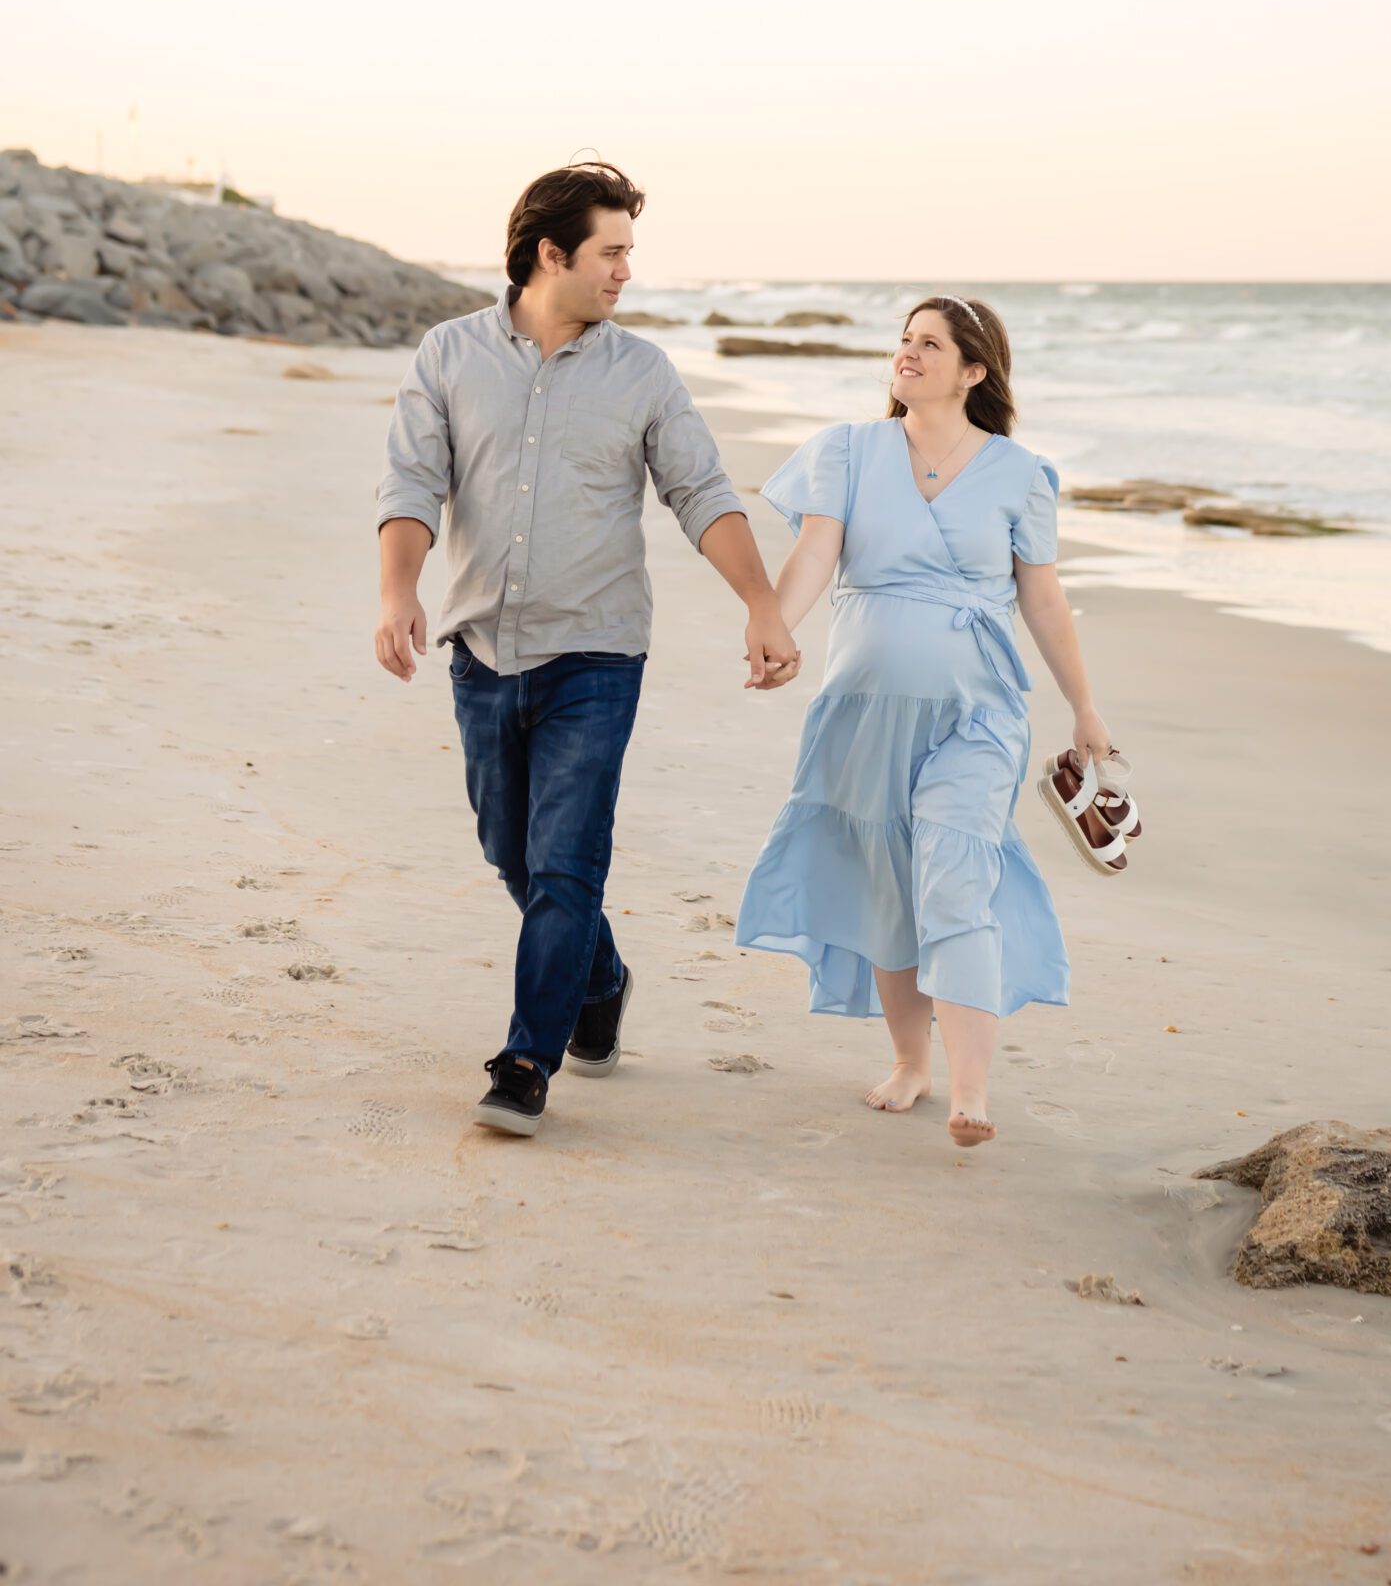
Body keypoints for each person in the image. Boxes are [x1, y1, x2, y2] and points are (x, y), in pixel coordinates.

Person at [374, 161, 799, 1137]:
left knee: (567, 864)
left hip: (597, 657)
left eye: (628, 254)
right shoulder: (448, 354)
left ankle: (528, 1058)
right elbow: (411, 482)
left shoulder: (641, 371)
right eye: (612, 252)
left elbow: (701, 490)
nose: (625, 273)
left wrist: (762, 603)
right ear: (550, 252)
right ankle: (599, 977)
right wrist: (399, 589)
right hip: (482, 649)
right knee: (511, 851)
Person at [736, 294, 1113, 1149]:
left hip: (977, 711)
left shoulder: (1018, 472)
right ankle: (911, 1061)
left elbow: (1043, 598)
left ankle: (969, 1094)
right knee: (886, 886)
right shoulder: (848, 450)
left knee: (954, 872)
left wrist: (1083, 705)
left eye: (929, 344)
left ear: (973, 370)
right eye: (903, 341)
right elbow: (814, 554)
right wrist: (774, 631)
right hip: (863, 711)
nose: (906, 354)